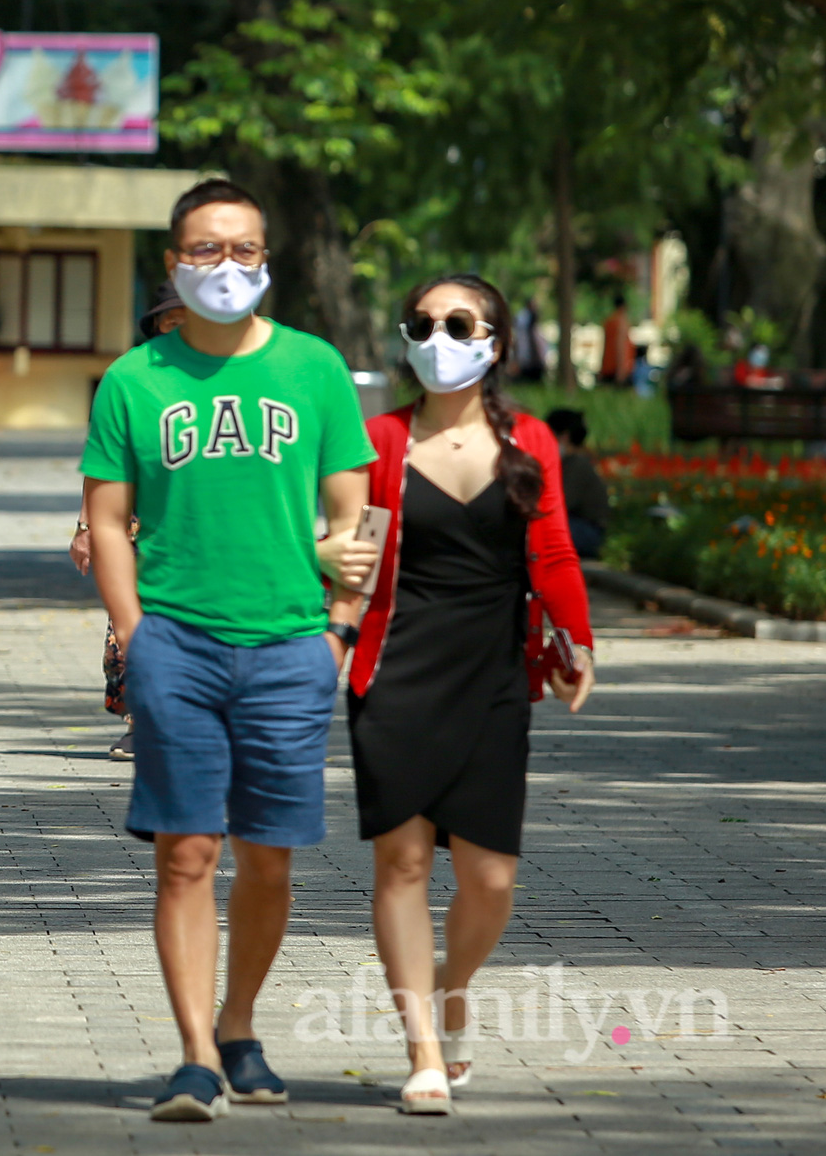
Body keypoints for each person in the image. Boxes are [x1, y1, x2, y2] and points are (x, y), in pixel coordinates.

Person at [79, 178, 380, 1123]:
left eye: (243, 250)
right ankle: (196, 1056)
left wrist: (335, 630)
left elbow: (354, 518)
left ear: (266, 263)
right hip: (179, 644)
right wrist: (138, 639)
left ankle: (240, 1021)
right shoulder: (136, 380)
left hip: (292, 648)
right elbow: (108, 522)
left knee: (271, 858)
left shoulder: (314, 370)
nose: (225, 267)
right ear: (173, 263)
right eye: (205, 250)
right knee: (186, 853)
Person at [344, 275, 596, 1115]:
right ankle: (421, 1047)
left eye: (458, 322)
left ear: (495, 341)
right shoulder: (378, 436)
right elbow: (360, 546)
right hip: (393, 670)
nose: (438, 335)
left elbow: (554, 550)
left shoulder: (528, 441)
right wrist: (331, 626)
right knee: (403, 861)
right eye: (422, 321)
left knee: (490, 876)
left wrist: (577, 638)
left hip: (495, 671)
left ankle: (453, 987)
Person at [70, 279, 189, 762]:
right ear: (156, 326)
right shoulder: (134, 381)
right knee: (131, 628)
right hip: (135, 528)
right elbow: (103, 463)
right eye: (170, 321)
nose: (180, 330)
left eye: (189, 320)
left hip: (197, 529)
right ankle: (142, 725)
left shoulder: (223, 381)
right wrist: (85, 527)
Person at [544, 408, 609, 559]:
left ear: (564, 437)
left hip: (587, 530)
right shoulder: (571, 461)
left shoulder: (577, 463)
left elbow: (563, 502)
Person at [598, 293, 634, 387]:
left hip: (607, 368)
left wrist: (601, 369)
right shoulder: (621, 322)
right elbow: (620, 346)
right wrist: (621, 370)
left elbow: (604, 347)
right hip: (618, 369)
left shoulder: (609, 322)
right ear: (624, 306)